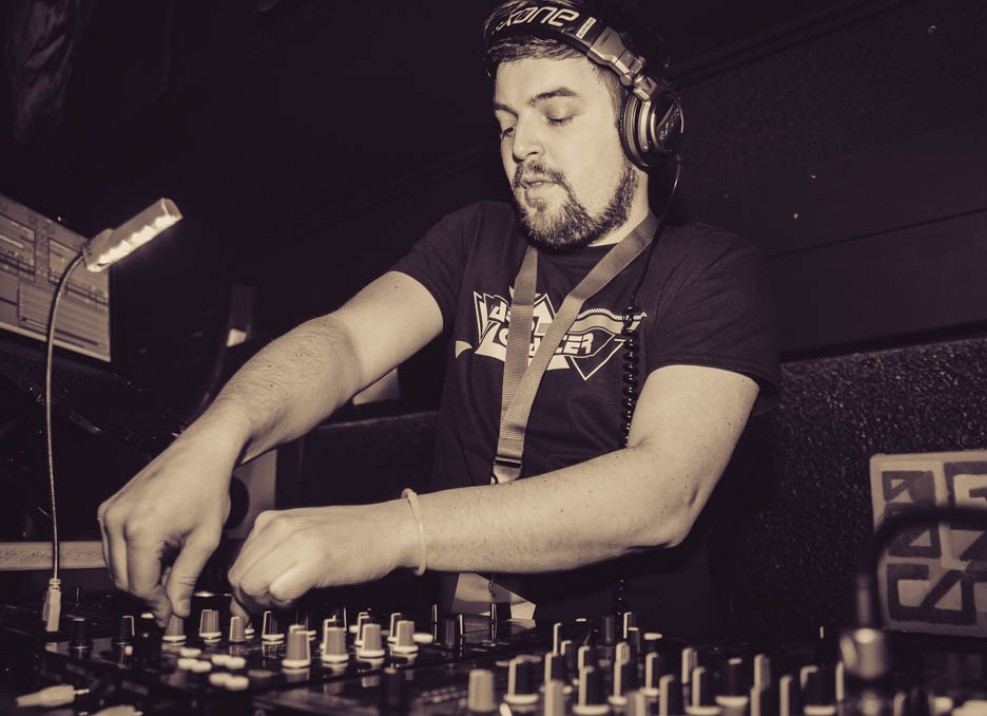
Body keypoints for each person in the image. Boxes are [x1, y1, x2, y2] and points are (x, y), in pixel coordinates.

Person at [96, 0, 779, 638]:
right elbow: (345, 342)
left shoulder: (712, 269)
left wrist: (395, 531)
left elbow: (666, 490)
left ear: (647, 125)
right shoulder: (472, 238)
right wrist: (215, 438)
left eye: (555, 115)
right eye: (507, 123)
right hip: (462, 647)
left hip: (627, 664)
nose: (521, 146)